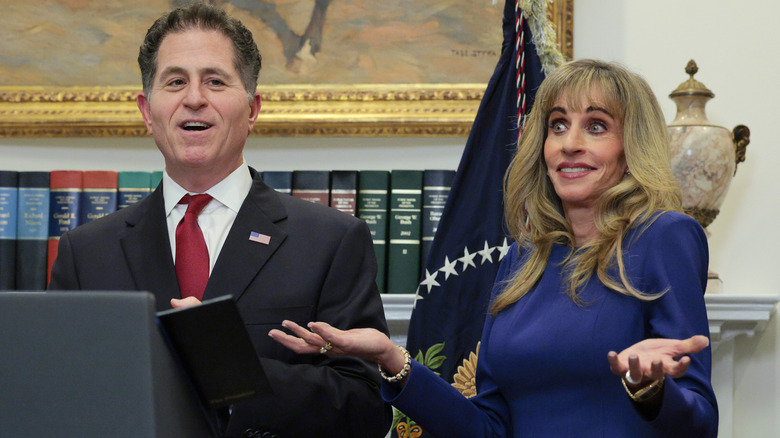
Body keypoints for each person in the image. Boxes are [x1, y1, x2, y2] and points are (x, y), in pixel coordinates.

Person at [270, 59, 718, 437]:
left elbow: (701, 421)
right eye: (558, 125)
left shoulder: (664, 237)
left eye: (596, 126)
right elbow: (487, 428)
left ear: (631, 145)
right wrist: (391, 357)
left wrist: (650, 390)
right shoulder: (523, 258)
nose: (570, 144)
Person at [48, 4, 392, 437]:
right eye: (175, 81)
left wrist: (228, 366)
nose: (194, 98)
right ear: (147, 111)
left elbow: (365, 409)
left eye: (215, 81)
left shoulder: (331, 241)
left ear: (252, 109)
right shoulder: (85, 252)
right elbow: (54, 397)